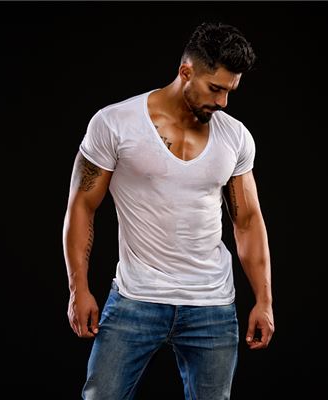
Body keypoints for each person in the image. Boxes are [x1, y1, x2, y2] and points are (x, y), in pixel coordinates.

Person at [63, 21, 274, 400]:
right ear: (185, 72)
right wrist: (78, 289)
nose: (223, 102)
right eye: (215, 89)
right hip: (136, 298)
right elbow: (82, 206)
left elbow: (247, 220)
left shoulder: (235, 136)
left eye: (230, 91)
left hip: (212, 305)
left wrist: (264, 300)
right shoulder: (115, 123)